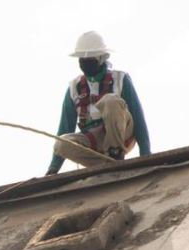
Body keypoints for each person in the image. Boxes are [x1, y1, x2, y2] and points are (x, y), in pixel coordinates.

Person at [46, 31, 151, 175]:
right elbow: (65, 128)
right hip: (94, 141)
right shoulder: (74, 88)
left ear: (101, 58)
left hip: (122, 134)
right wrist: (53, 169)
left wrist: (145, 154)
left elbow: (138, 117)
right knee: (61, 143)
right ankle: (105, 164)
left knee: (110, 101)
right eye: (81, 59)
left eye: (89, 58)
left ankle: (115, 152)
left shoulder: (120, 79)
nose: (84, 62)